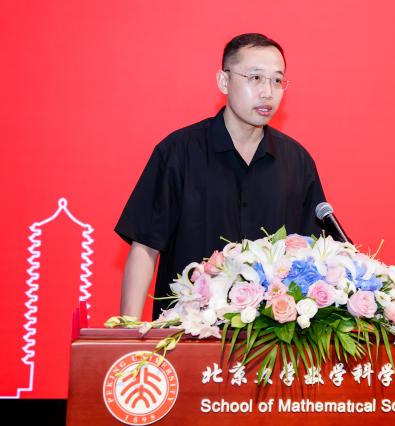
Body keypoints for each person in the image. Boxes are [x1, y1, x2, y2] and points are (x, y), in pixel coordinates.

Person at [115, 33, 326, 320]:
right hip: (186, 333)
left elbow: (314, 255)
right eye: (255, 78)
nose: (268, 92)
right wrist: (127, 333)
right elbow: (145, 247)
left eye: (277, 80)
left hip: (269, 339)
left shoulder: (297, 162)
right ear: (224, 81)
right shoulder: (178, 153)